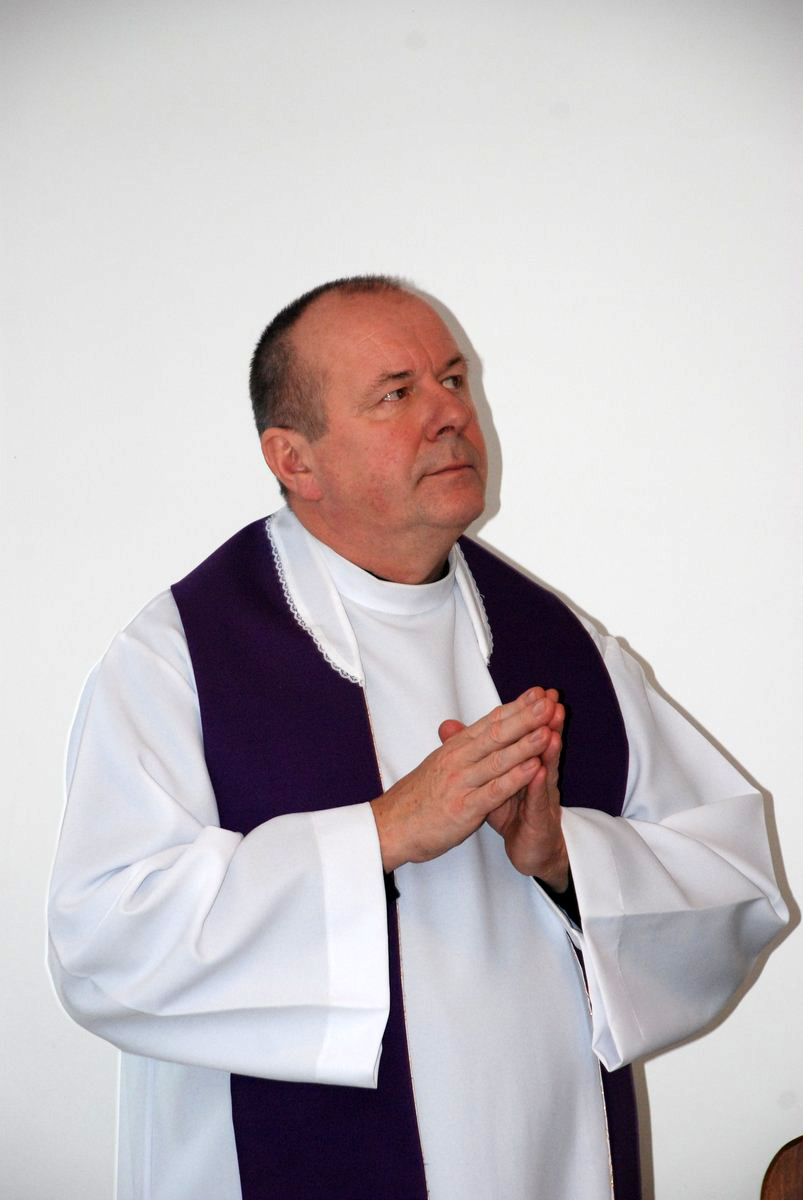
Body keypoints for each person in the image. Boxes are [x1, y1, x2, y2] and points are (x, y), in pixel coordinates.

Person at [48, 276, 787, 1200]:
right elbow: (105, 944)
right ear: (294, 459)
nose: (449, 414)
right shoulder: (180, 656)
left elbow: (736, 884)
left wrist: (565, 860)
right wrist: (381, 832)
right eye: (396, 393)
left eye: (452, 379)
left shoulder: (563, 646)